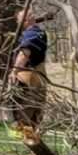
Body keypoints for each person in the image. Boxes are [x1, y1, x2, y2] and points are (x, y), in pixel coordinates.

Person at [10, 8, 51, 143]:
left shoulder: (31, 34)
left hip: (28, 74)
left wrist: (14, 71)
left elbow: (24, 54)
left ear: (25, 20)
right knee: (36, 110)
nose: (18, 23)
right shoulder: (40, 33)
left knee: (24, 108)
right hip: (40, 74)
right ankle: (33, 140)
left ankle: (24, 139)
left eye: (19, 20)